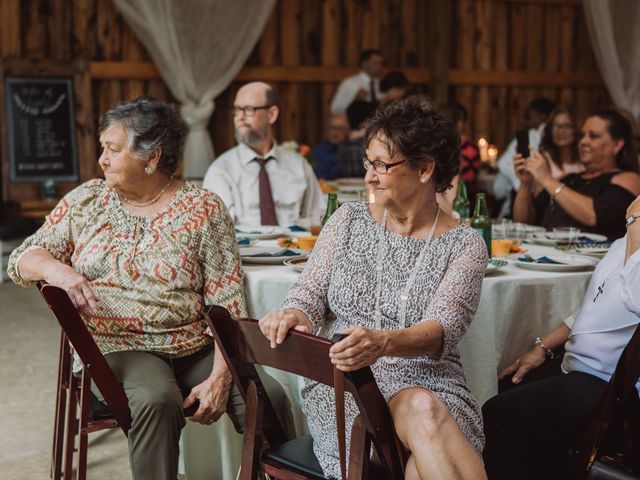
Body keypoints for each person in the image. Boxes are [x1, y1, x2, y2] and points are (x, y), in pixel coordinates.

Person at [8, 97, 260, 480]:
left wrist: (221, 377)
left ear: (152, 157)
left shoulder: (204, 208)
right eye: (103, 148)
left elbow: (228, 301)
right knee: (157, 400)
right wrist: (59, 271)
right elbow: (22, 258)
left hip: (194, 345)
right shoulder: (87, 201)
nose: (102, 160)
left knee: (265, 397)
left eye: (113, 149)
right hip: (116, 345)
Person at [259, 97, 488, 479]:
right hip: (348, 386)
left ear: (425, 169)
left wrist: (383, 342)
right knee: (429, 432)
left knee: (425, 425)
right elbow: (308, 297)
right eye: (369, 162)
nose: (369, 176)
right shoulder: (347, 221)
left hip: (432, 384)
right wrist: (291, 315)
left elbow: (442, 329)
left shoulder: (465, 244)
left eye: (382, 165)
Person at [482, 194, 640, 480]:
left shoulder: (635, 232)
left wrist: (637, 222)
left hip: (614, 389)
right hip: (582, 366)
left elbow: (636, 296)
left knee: (498, 414)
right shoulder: (625, 241)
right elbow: (595, 302)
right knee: (501, 383)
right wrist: (543, 347)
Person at [202, 82, 323, 226]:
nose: (239, 117)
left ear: (272, 115)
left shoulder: (299, 165)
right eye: (237, 109)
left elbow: (318, 217)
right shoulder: (221, 170)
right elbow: (219, 231)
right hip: (243, 248)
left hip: (295, 246)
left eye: (248, 109)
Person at [512, 109, 640, 240]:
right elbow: (522, 223)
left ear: (617, 145)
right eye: (582, 135)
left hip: (596, 259)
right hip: (547, 256)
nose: (583, 142)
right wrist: (525, 184)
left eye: (593, 136)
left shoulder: (629, 179)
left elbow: (593, 216)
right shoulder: (570, 179)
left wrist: (546, 179)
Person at [493, 97, 556, 216]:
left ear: (543, 116)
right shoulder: (531, 136)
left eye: (530, 117)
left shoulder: (531, 136)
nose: (527, 122)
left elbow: (499, 189)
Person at [330, 49, 384, 115]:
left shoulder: (380, 83)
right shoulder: (350, 83)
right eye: (375, 63)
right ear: (364, 64)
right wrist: (355, 100)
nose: (379, 67)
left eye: (381, 63)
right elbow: (335, 109)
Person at [312, 114, 350, 180]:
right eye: (332, 128)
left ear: (347, 131)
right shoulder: (320, 150)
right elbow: (321, 175)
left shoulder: (352, 149)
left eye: (339, 129)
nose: (335, 132)